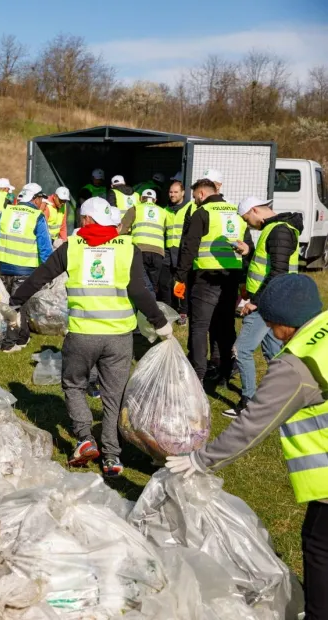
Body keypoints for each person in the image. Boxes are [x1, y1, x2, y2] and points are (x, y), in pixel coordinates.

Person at [165, 274, 327, 620]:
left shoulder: (298, 364)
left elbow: (253, 424)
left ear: (284, 322)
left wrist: (201, 460)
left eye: (270, 322)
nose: (268, 329)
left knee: (319, 547)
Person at [10, 197, 172, 477]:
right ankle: (112, 456)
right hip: (119, 336)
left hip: (82, 334)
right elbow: (139, 291)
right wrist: (159, 323)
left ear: (85, 220)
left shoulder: (72, 248)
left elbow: (40, 277)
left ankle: (85, 437)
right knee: (114, 395)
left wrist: (15, 302)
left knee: (73, 385)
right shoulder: (127, 248)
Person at [225, 197, 303, 418]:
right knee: (273, 353)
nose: (248, 224)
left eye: (246, 218)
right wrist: (248, 252)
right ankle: (283, 397)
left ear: (254, 210)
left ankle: (249, 403)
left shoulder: (278, 231)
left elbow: (278, 272)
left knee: (242, 350)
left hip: (267, 302)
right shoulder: (276, 229)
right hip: (271, 300)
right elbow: (268, 264)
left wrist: (254, 302)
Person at [173, 177, 254, 384]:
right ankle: (225, 372)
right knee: (225, 327)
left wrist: (180, 277)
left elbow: (189, 247)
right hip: (231, 279)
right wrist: (244, 280)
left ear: (201, 194)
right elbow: (247, 247)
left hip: (205, 278)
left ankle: (197, 375)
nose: (195, 201)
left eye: (195, 197)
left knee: (200, 327)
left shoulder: (202, 213)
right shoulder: (236, 214)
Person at [0, 183, 53, 353]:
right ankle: (10, 343)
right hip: (26, 269)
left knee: (12, 305)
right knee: (16, 307)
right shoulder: (37, 216)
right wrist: (50, 271)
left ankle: (22, 338)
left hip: (4, 267)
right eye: (40, 199)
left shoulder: (6, 212)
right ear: (35, 198)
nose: (41, 202)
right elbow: (44, 247)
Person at [119, 188, 167, 295]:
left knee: (140, 283)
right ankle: (152, 306)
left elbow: (122, 230)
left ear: (141, 198)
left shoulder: (135, 209)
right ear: (155, 200)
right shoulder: (163, 212)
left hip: (139, 251)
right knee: (153, 285)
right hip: (158, 253)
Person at [160, 180, 194, 319]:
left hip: (183, 251)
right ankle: (168, 311)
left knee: (183, 282)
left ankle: (183, 312)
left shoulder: (191, 207)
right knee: (164, 282)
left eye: (175, 192)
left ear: (183, 193)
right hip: (168, 250)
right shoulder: (165, 210)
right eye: (170, 192)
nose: (172, 195)